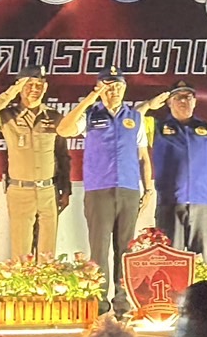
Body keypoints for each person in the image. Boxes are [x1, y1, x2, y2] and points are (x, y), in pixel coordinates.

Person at [59, 67, 153, 316]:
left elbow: (143, 156)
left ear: (125, 88)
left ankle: (122, 301)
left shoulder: (135, 117)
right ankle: (100, 302)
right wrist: (91, 98)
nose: (114, 91)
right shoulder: (90, 114)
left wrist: (148, 188)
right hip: (99, 189)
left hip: (129, 189)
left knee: (125, 248)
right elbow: (64, 130)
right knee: (99, 248)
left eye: (118, 86)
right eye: (108, 87)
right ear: (100, 88)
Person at [0, 63, 71, 259]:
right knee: (21, 254)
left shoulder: (54, 116)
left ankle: (45, 281)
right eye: (28, 85)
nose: (34, 89)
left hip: (48, 191)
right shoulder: (8, 116)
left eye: (39, 85)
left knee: (47, 254)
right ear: (19, 87)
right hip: (20, 191)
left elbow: (62, 155)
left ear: (45, 87)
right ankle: (23, 282)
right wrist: (10, 93)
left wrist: (66, 188)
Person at [142, 80, 207, 257]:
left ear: (195, 102)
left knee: (201, 259)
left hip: (203, 204)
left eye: (188, 97)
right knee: (170, 258)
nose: (183, 101)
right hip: (170, 203)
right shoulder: (155, 126)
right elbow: (132, 119)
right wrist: (149, 105)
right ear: (169, 103)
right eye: (178, 97)